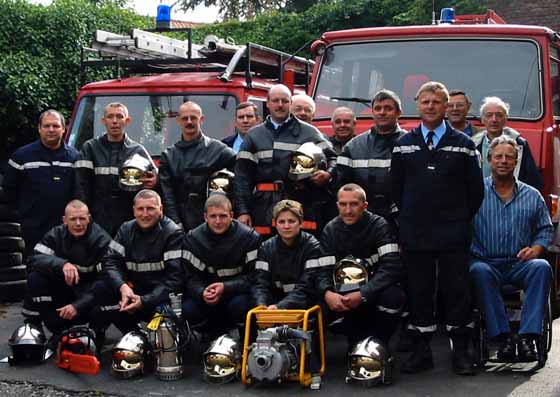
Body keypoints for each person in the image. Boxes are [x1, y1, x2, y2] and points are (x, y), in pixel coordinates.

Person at [391, 81, 484, 375]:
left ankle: (462, 353)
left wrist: (456, 219)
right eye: (425, 101)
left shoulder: (465, 145)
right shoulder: (404, 144)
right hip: (415, 235)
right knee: (419, 291)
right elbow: (396, 189)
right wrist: (409, 219)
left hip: (453, 234)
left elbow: (476, 193)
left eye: (436, 101)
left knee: (457, 292)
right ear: (417, 106)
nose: (430, 106)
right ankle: (421, 353)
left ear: (447, 107)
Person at [470, 136, 553, 362]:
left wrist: (536, 249)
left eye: (509, 157)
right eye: (498, 156)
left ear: (516, 161)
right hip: (486, 262)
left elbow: (545, 230)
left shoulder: (532, 195)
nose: (504, 161)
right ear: (489, 160)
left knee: (542, 267)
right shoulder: (474, 193)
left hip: (521, 263)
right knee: (478, 271)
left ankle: (527, 336)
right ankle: (502, 337)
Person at [234, 84, 336, 237]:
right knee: (264, 252)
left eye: (284, 101)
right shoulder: (254, 135)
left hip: (300, 205)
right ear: (267, 103)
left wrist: (327, 174)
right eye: (275, 100)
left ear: (290, 103)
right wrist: (243, 211)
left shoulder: (309, 131)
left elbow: (333, 158)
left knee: (300, 251)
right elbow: (242, 177)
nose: (280, 105)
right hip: (262, 209)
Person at [319, 184, 405, 345]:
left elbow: (392, 267)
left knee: (393, 297)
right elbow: (322, 271)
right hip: (342, 293)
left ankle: (380, 343)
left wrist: (364, 293)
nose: (348, 210)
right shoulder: (330, 230)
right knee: (318, 306)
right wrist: (327, 293)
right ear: (337, 205)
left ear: (364, 206)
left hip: (374, 290)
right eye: (343, 204)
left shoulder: (379, 225)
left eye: (354, 204)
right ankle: (354, 340)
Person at [100, 189, 183, 333]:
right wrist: (122, 287)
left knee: (165, 320)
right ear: (133, 210)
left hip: (161, 297)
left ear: (161, 209)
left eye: (150, 208)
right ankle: (134, 337)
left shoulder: (172, 233)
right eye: (140, 209)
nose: (145, 214)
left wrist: (145, 301)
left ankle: (169, 346)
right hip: (132, 292)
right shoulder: (125, 229)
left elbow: (175, 278)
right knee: (100, 293)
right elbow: (110, 261)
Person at [26, 200, 111, 339]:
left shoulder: (101, 240)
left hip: (89, 298)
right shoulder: (55, 234)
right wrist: (62, 264)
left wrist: (78, 305)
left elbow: (107, 280)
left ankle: (97, 332)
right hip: (63, 295)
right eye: (73, 219)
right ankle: (52, 330)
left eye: (82, 218)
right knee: (36, 277)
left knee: (108, 288)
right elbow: (34, 259)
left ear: (89, 218)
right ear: (64, 220)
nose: (78, 224)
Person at [182, 194, 261, 335]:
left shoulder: (249, 238)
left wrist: (225, 287)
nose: (218, 221)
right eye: (213, 216)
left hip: (237, 294)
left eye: (223, 216)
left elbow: (255, 277)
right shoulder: (193, 239)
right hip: (207, 295)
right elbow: (190, 278)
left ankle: (244, 346)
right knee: (188, 310)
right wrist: (202, 292)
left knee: (241, 306)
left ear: (231, 215)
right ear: (205, 217)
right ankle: (199, 346)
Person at [3, 110, 78, 256]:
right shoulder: (21, 156)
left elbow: (80, 191)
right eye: (46, 126)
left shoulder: (75, 157)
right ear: (39, 128)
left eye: (55, 126)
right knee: (36, 272)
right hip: (32, 230)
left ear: (64, 129)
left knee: (64, 271)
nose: (51, 130)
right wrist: (24, 215)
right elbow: (9, 191)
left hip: (66, 231)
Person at [75, 102, 157, 236]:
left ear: (127, 121)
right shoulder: (89, 149)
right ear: (103, 121)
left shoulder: (137, 151)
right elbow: (80, 186)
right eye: (110, 117)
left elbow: (154, 181)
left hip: (129, 221)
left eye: (119, 117)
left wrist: (155, 182)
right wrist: (83, 217)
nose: (114, 121)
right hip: (96, 220)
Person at [159, 101, 236, 232]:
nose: (189, 122)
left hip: (213, 222)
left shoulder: (219, 151)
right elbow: (167, 195)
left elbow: (243, 174)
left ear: (202, 119)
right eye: (185, 118)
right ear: (178, 121)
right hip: (180, 222)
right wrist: (175, 222)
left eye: (193, 117)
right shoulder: (169, 155)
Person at [337, 89, 406, 229]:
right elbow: (341, 185)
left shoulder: (411, 144)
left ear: (398, 112)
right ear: (372, 112)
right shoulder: (353, 146)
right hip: (361, 221)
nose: (382, 112)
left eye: (388, 108)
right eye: (378, 108)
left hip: (400, 220)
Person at [252, 200, 330, 309]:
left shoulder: (312, 247)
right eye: (281, 222)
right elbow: (260, 283)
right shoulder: (266, 247)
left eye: (291, 221)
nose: (286, 226)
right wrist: (261, 305)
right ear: (275, 223)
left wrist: (280, 307)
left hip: (305, 302)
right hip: (275, 302)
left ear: (301, 222)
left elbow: (307, 286)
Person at [472, 96, 543, 190]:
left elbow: (532, 179)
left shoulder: (519, 144)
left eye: (499, 115)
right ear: (482, 119)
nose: (494, 120)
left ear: (506, 119)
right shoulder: (473, 145)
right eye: (489, 115)